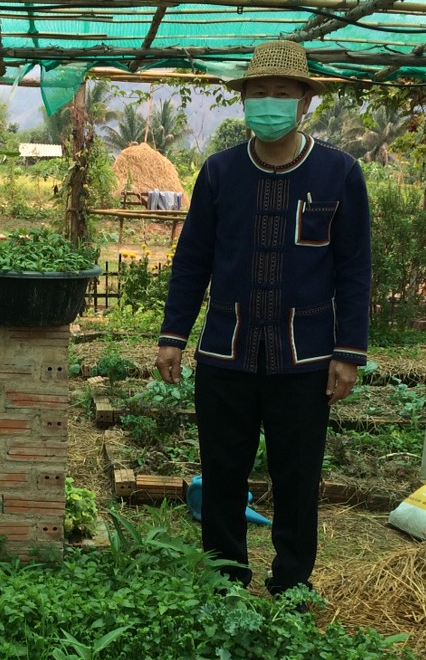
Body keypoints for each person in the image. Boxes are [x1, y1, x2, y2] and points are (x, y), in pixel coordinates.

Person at [155, 39, 372, 596]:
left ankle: (292, 583)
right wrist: (173, 335)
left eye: (282, 92)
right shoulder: (220, 172)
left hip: (304, 357)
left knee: (297, 476)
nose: (269, 102)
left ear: (305, 102)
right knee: (222, 471)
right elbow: (193, 260)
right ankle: (226, 581)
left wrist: (348, 352)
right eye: (259, 93)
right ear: (244, 100)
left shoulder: (339, 173)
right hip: (226, 352)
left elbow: (353, 269)